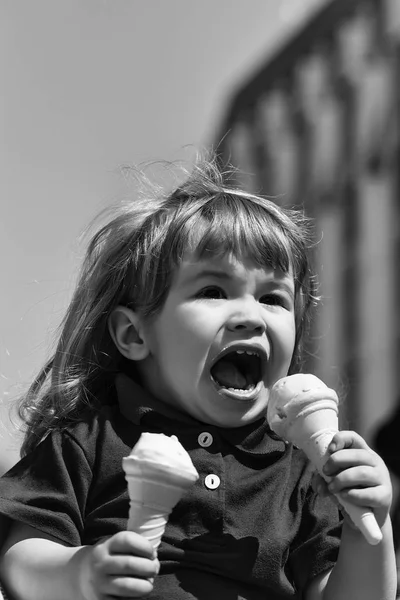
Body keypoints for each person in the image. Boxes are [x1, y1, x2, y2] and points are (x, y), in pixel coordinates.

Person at [0, 156, 396, 600]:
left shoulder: (303, 476)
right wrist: (79, 573)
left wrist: (370, 526)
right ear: (135, 334)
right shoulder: (89, 442)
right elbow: (20, 560)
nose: (250, 316)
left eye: (272, 298)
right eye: (213, 292)